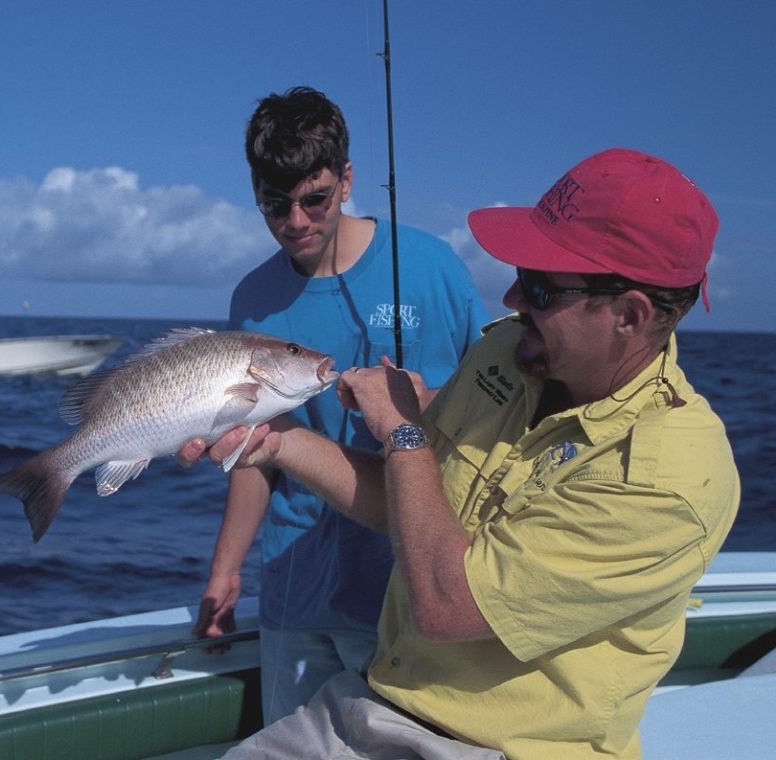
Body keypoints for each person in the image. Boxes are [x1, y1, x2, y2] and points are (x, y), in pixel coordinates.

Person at [180, 148, 739, 759]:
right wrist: (279, 441)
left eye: (541, 288)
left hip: (501, 746)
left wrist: (403, 431)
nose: (511, 298)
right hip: (382, 701)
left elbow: (448, 608)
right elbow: (411, 507)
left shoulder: (670, 480)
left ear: (629, 315)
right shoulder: (505, 354)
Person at [194, 85, 488, 725]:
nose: (296, 221)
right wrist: (225, 572)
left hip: (406, 592)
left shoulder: (434, 268)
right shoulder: (252, 298)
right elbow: (258, 451)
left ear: (348, 179)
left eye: (315, 198)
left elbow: (497, 419)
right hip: (294, 586)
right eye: (275, 205)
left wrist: (423, 402)